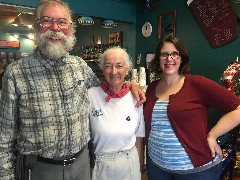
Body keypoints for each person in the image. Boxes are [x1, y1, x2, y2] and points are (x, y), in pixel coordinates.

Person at [0, 1, 145, 180]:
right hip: (40, 169)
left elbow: (108, 86)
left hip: (81, 166)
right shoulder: (15, 73)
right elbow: (5, 135)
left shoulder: (80, 66)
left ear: (70, 28)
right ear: (37, 25)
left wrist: (132, 84)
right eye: (47, 20)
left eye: (62, 22)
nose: (55, 27)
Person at [144, 35, 240, 180]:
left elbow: (237, 108)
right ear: (158, 59)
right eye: (164, 54)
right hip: (157, 167)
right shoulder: (151, 88)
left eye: (175, 54)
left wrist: (213, 135)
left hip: (195, 171)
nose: (169, 58)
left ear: (182, 58)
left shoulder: (197, 84)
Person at [88, 47, 145, 180]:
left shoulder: (135, 97)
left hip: (129, 162)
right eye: (108, 66)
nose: (114, 72)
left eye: (119, 66)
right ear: (103, 70)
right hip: (100, 164)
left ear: (127, 70)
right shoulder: (91, 95)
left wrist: (140, 169)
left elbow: (138, 138)